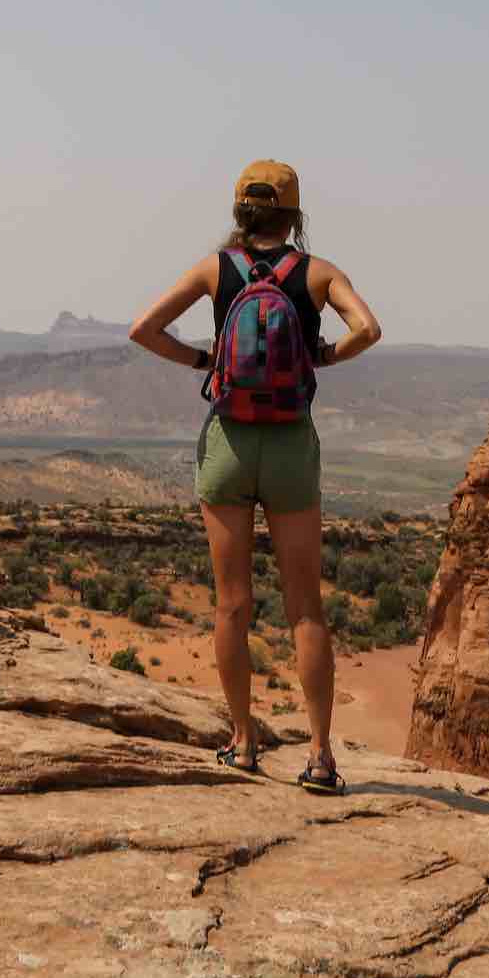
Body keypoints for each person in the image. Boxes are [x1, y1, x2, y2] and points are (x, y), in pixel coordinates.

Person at [127, 160, 382, 794]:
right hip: (292, 444)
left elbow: (142, 328)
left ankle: (242, 745)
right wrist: (322, 354)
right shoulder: (318, 273)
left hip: (229, 441)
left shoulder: (216, 269)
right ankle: (321, 758)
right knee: (305, 606)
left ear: (240, 210)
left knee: (232, 603)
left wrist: (204, 358)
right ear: (293, 213)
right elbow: (369, 329)